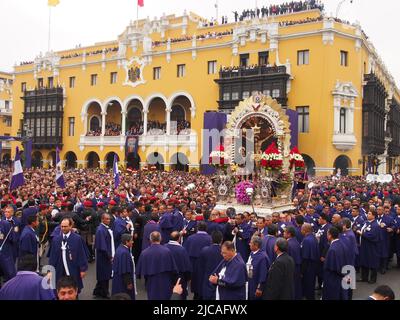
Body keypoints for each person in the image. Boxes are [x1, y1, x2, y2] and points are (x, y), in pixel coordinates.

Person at [48, 218, 88, 294]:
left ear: (70, 226)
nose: (63, 228)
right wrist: (50, 270)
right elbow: (52, 256)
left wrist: (83, 269)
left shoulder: (77, 239)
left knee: (73, 288)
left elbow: (81, 254)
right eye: (62, 226)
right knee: (59, 289)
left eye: (65, 226)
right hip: (59, 268)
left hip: (73, 267)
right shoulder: (56, 239)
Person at [136, 231, 178, 300]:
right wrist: (174, 282)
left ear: (150, 240)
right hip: (165, 282)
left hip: (151, 282)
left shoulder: (144, 253)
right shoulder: (167, 251)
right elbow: (174, 269)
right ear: (160, 239)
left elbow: (140, 271)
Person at [183, 221, 212, 299]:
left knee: (195, 280)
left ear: (197, 228)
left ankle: (196, 295)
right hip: (206, 264)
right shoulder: (210, 238)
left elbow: (185, 251)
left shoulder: (191, 238)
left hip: (193, 263)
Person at [164, 231, 192, 300]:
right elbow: (187, 266)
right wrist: (188, 278)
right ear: (179, 239)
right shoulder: (182, 250)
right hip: (179, 278)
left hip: (166, 277)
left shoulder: (164, 247)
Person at [93, 213, 115, 299]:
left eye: (109, 219)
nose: (108, 221)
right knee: (105, 274)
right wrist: (109, 256)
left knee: (104, 274)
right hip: (103, 256)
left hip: (105, 255)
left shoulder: (104, 228)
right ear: (102, 219)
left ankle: (97, 291)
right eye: (107, 219)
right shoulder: (100, 230)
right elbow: (103, 246)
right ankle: (105, 292)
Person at [322, 227, 347, 300]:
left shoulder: (332, 249)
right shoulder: (341, 244)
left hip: (332, 278)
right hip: (340, 276)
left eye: (327, 234)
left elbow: (333, 266)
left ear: (330, 235)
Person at [198, 231, 224, 300]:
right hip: (221, 281)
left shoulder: (205, 250)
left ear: (211, 239)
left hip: (207, 280)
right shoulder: (224, 252)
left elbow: (200, 268)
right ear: (221, 240)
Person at [357, 209, 380, 284]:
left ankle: (373, 279)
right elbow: (361, 228)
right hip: (364, 245)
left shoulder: (375, 225)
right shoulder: (366, 222)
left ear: (373, 216)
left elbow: (372, 236)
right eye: (367, 213)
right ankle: (364, 277)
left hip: (372, 246)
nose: (367, 215)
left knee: (373, 262)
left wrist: (361, 234)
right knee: (364, 261)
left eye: (369, 214)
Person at [112, 234, 136, 300]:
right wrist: (128, 283)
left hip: (117, 278)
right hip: (123, 281)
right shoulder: (124, 253)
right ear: (126, 242)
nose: (132, 242)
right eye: (131, 240)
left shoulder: (120, 248)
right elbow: (125, 269)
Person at [246, 236, 270, 300]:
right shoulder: (252, 253)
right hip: (250, 282)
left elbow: (263, 274)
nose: (249, 244)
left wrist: (260, 288)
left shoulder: (263, 257)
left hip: (256, 285)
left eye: (251, 243)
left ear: (256, 245)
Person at [284, 226, 302, 300]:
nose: (283, 233)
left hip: (291, 268)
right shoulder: (296, 241)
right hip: (297, 266)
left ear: (289, 234)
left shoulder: (288, 244)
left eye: (284, 232)